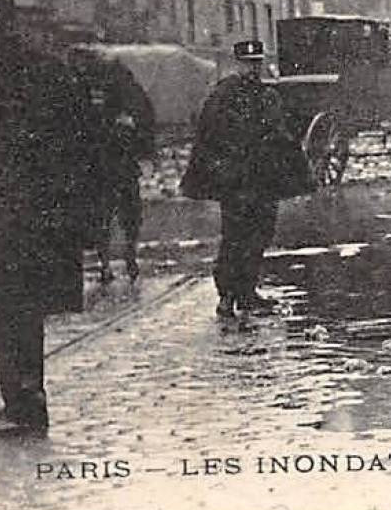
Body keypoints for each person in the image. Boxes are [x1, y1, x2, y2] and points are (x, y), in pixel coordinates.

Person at [0, 0, 93, 438]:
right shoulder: (47, 71)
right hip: (39, 217)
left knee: (3, 311)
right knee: (24, 313)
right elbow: (79, 141)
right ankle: (23, 398)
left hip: (1, 217)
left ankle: (24, 405)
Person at [181, 40, 311, 317]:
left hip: (263, 180)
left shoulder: (268, 96)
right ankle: (227, 296)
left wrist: (292, 164)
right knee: (235, 237)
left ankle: (247, 292)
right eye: (247, 64)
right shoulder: (224, 95)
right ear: (236, 63)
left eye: (256, 64)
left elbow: (281, 133)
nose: (252, 69)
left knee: (261, 234)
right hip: (236, 181)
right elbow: (209, 134)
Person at [74, 51, 156, 282]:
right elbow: (144, 117)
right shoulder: (119, 84)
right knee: (123, 213)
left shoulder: (90, 85)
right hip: (116, 162)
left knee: (107, 214)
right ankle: (123, 259)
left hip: (105, 162)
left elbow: (142, 116)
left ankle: (111, 261)